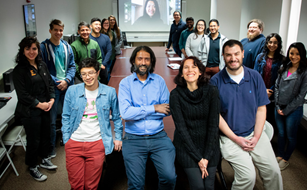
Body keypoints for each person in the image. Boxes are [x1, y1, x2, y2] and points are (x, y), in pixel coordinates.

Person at [210, 40, 283, 190]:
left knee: (274, 172)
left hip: (254, 133)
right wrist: (236, 139)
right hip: (230, 137)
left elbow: (261, 109)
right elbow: (215, 116)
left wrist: (256, 137)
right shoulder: (215, 82)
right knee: (248, 177)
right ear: (223, 56)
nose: (233, 58)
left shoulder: (255, 76)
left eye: (236, 54)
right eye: (229, 55)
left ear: (243, 54)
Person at [118, 46, 177, 190]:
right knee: (136, 185)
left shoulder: (159, 81)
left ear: (151, 62)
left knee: (170, 178)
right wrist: (154, 108)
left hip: (158, 137)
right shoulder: (125, 83)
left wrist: (137, 111)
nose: (143, 62)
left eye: (147, 59)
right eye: (140, 59)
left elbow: (167, 110)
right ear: (133, 61)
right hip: (133, 139)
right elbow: (126, 114)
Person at [62, 58, 123, 189]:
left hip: (96, 144)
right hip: (74, 143)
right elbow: (65, 116)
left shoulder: (109, 92)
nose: (87, 77)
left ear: (97, 73)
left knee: (91, 186)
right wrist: (67, 139)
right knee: (76, 185)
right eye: (84, 74)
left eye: (90, 73)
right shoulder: (72, 91)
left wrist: (118, 137)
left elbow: (117, 117)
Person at [170, 56, 220, 190]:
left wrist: (206, 157)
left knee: (209, 187)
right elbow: (182, 129)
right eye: (186, 67)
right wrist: (199, 158)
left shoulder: (212, 91)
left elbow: (214, 126)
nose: (189, 70)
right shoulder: (175, 95)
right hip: (186, 148)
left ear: (200, 72)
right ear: (181, 73)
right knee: (198, 186)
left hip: (209, 147)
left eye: (194, 67)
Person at [13, 36, 57, 181]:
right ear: (23, 51)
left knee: (45, 135)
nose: (31, 52)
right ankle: (32, 166)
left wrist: (51, 99)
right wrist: (40, 104)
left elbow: (50, 83)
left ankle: (44, 158)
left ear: (38, 50)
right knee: (34, 140)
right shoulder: (19, 71)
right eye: (28, 49)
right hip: (30, 111)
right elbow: (23, 95)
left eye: (34, 48)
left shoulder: (42, 65)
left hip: (46, 106)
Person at [40, 19, 75, 157]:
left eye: (61, 30)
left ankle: (68, 142)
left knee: (69, 115)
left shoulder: (67, 46)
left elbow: (72, 65)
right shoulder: (44, 47)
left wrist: (66, 80)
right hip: (53, 88)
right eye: (56, 30)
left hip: (67, 86)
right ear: (50, 30)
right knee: (52, 120)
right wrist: (57, 82)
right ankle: (51, 149)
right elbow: (43, 68)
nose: (58, 33)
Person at [274, 42, 307, 171]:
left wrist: (286, 110)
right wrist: (278, 105)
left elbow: (301, 96)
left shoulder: (306, 72)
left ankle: (286, 158)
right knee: (281, 133)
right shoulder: (284, 66)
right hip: (279, 107)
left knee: (290, 136)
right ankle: (280, 155)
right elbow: (277, 86)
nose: (294, 56)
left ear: (302, 55)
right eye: (291, 53)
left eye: (297, 54)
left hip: (293, 110)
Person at [254, 33, 285, 128]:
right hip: (259, 91)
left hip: (273, 94)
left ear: (279, 44)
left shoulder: (282, 60)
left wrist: (271, 91)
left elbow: (280, 79)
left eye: (275, 43)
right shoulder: (260, 57)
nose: (272, 45)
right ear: (267, 43)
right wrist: (263, 90)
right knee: (258, 117)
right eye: (270, 42)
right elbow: (255, 75)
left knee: (270, 119)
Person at [90, 17, 112, 85]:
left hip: (103, 67)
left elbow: (109, 51)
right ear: (91, 26)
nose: (98, 26)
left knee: (104, 86)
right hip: (91, 68)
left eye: (99, 25)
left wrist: (103, 64)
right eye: (96, 24)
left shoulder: (106, 38)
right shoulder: (88, 38)